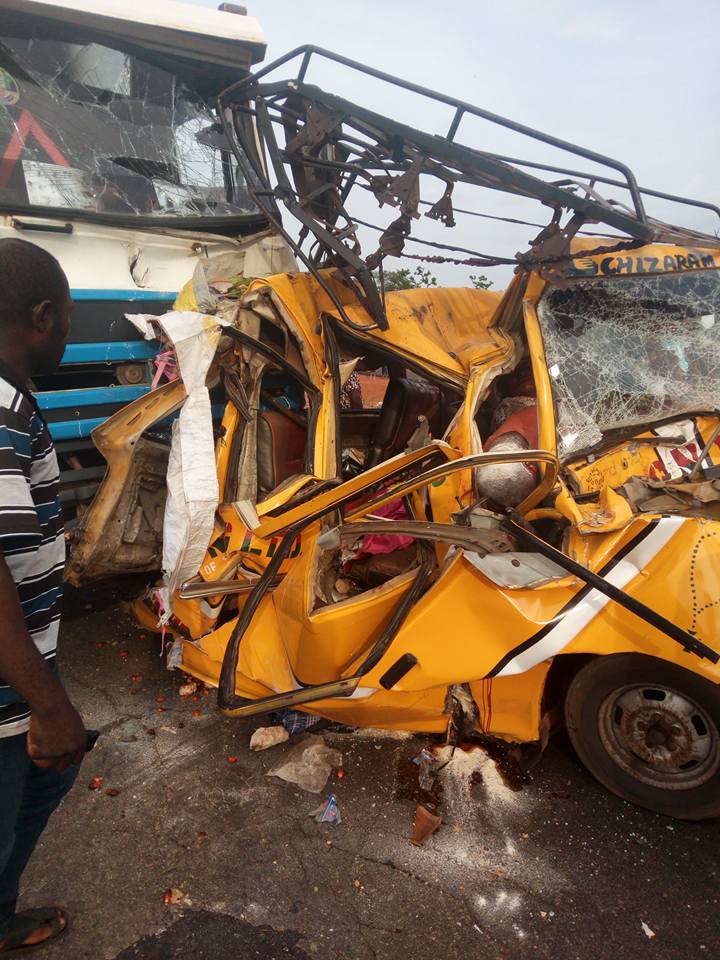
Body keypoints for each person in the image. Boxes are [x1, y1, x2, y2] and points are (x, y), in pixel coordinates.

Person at [0, 239, 87, 954]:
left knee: (47, 780)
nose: (72, 336)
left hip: (21, 671)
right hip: (7, 686)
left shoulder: (14, 403)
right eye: (70, 321)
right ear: (42, 316)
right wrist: (46, 701)